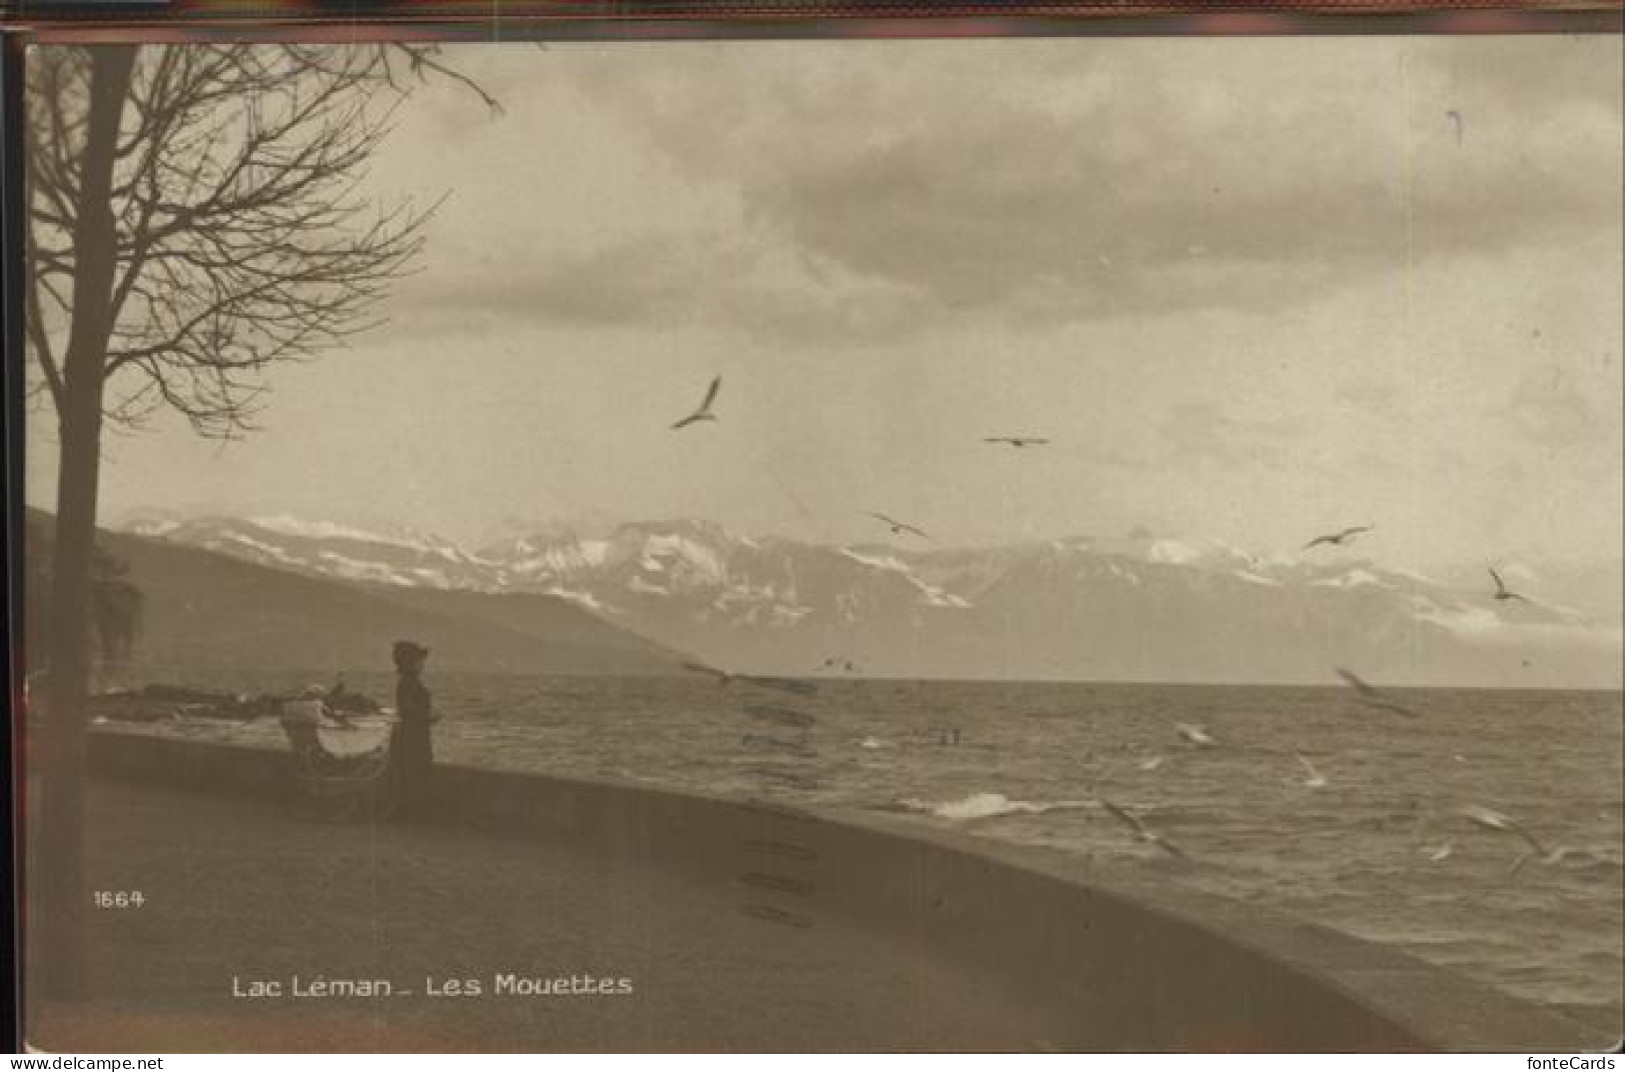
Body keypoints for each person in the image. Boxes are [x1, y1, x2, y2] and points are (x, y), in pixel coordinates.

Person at [389, 640, 438, 818]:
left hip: (414, 733)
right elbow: (406, 708)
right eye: (419, 661)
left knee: (413, 771)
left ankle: (413, 812)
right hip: (413, 735)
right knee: (414, 771)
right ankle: (414, 813)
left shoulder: (408, 682)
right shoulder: (408, 682)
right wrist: (428, 717)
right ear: (410, 663)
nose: (422, 664)